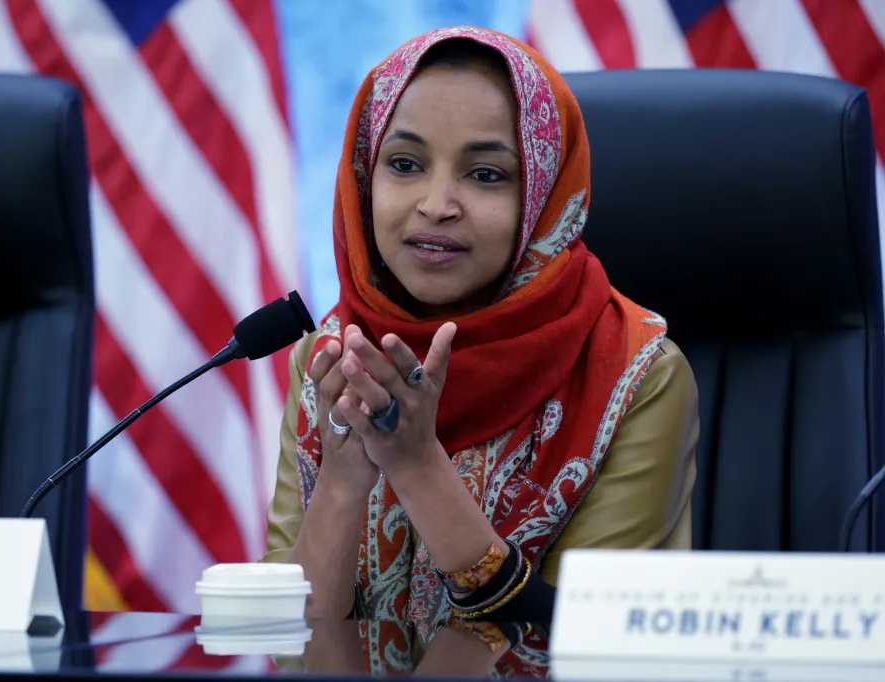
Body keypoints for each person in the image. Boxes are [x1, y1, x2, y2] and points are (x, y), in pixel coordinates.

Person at [263, 25, 699, 668]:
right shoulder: (330, 359)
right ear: (363, 177)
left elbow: (586, 646)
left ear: (542, 195)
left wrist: (417, 467)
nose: (436, 205)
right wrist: (342, 481)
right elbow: (282, 643)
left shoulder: (637, 377)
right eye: (404, 164)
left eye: (486, 174)